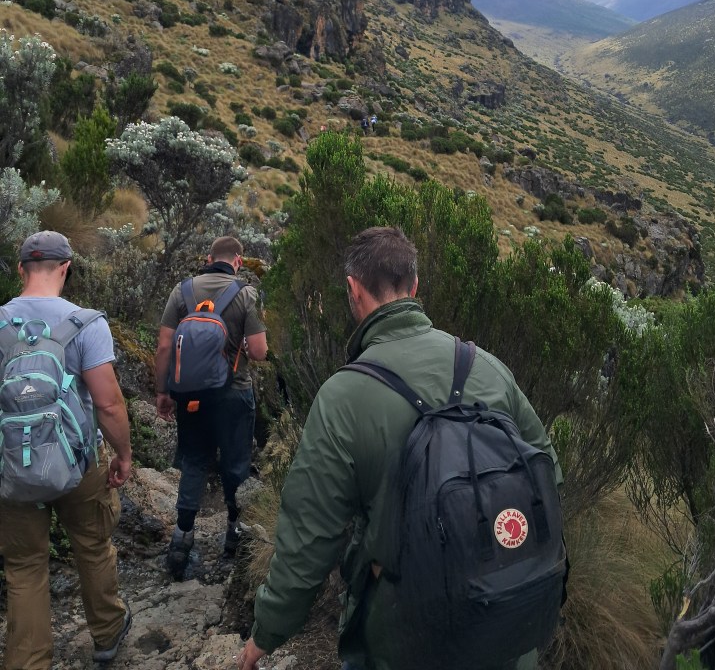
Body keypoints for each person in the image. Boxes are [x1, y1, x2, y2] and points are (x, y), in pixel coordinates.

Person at [236, 226, 562, 670]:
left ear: (353, 290)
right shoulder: (487, 366)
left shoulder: (342, 397)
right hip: (507, 629)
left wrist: (267, 634)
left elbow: (308, 540)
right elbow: (548, 473)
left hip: (408, 638)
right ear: (415, 286)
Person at [0, 230, 133, 668]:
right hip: (80, 462)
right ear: (66, 268)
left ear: (20, 269)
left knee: (24, 566)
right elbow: (109, 404)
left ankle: (28, 662)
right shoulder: (87, 324)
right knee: (92, 544)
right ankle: (108, 633)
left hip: (11, 466)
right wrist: (123, 455)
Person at [155, 235, 268, 578]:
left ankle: (181, 540)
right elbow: (259, 352)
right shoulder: (246, 294)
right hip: (234, 395)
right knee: (236, 465)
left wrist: (163, 392)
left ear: (208, 258)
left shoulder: (182, 291)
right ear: (238, 261)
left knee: (194, 462)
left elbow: (164, 346)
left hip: (191, 397)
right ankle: (234, 536)